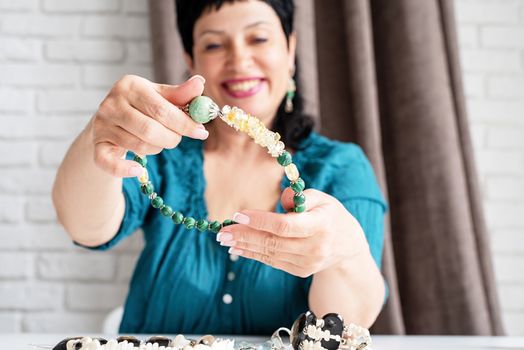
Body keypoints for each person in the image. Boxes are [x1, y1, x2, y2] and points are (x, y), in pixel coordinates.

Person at [52, 0, 387, 335]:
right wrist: (100, 137)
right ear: (190, 60)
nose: (239, 59)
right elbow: (87, 227)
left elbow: (348, 321)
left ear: (291, 49)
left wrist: (345, 255)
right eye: (214, 44)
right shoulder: (159, 153)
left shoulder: (341, 168)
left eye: (258, 39)